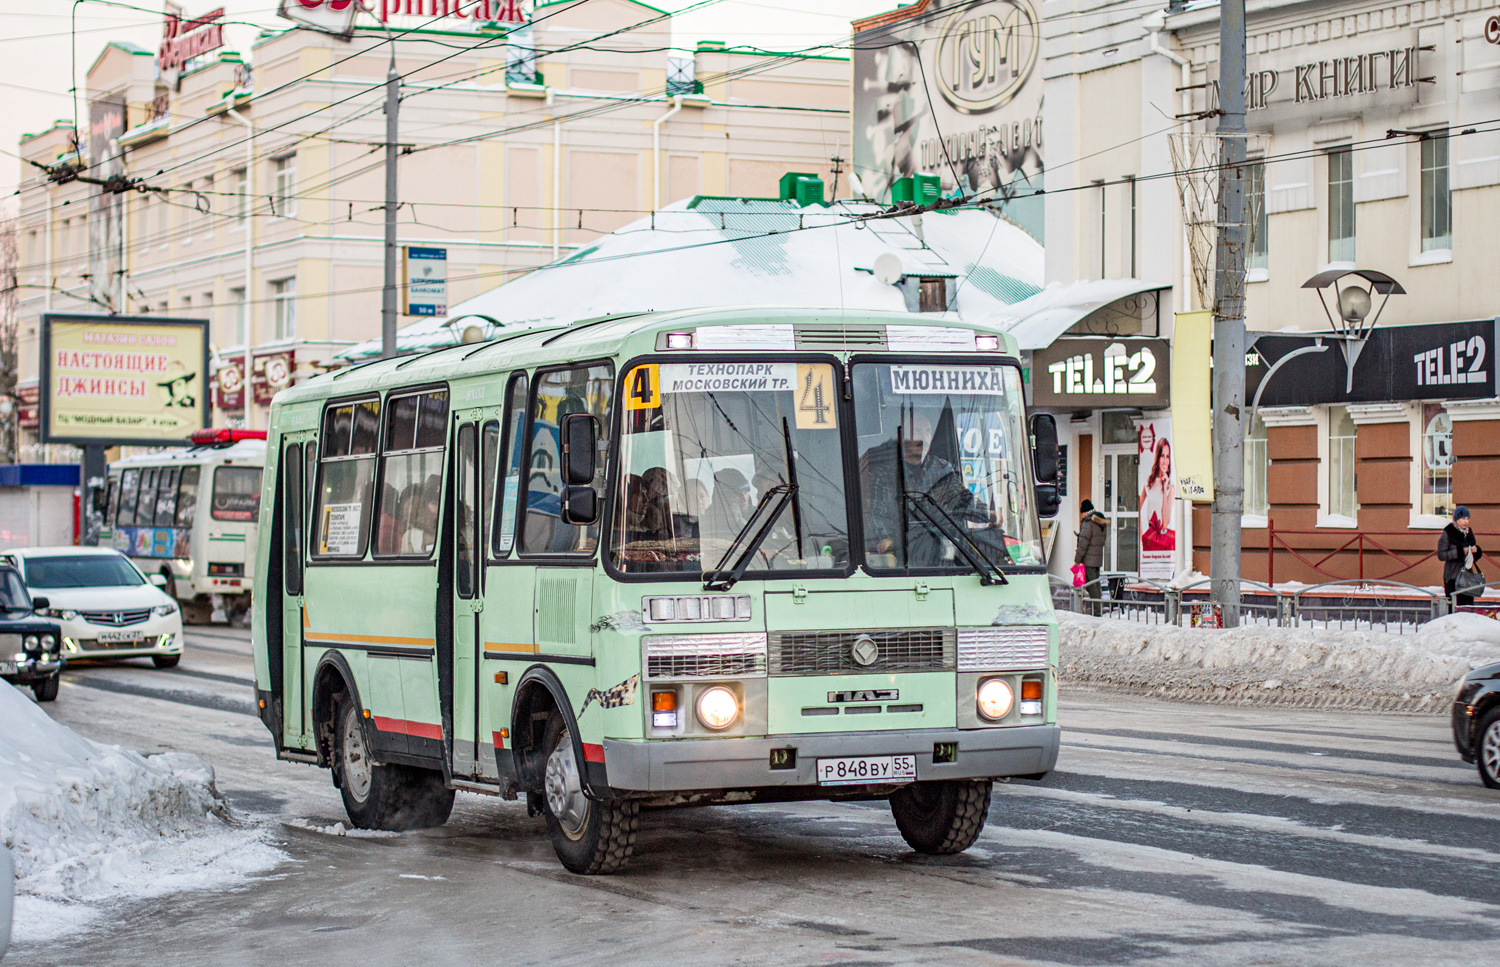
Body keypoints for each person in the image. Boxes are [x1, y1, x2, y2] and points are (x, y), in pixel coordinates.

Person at [1439, 505, 1484, 607]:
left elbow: (1472, 558)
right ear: (1456, 519)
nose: (1466, 522)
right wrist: (1460, 551)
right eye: (1463, 519)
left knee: (1467, 607)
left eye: (1467, 519)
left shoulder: (1468, 533)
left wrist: (1476, 551)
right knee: (1454, 607)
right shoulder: (1448, 533)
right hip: (1452, 576)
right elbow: (1441, 555)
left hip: (1467, 576)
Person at [1140, 438, 1176, 551]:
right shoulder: (1149, 483)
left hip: (1163, 539)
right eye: (1162, 456)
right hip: (1150, 538)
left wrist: (1165, 488)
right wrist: (1141, 535)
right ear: (1158, 457)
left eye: (1167, 456)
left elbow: (1165, 522)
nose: (1165, 461)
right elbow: (1137, 509)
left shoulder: (1171, 486)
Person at [1074, 499, 1108, 615]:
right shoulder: (1100, 521)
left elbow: (1083, 544)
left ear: (1085, 512)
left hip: (1088, 559)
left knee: (1091, 587)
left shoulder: (1088, 522)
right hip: (1097, 559)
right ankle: (1098, 610)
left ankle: (1097, 613)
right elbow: (1097, 539)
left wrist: (1077, 560)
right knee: (1096, 585)